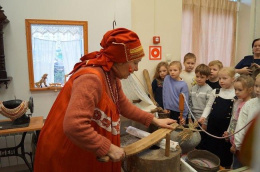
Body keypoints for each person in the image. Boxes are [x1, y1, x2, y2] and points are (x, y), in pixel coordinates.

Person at [33, 28, 176, 172]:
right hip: (66, 151)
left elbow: (124, 106)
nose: (137, 68)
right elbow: (74, 126)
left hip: (82, 148)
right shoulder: (91, 78)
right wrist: (108, 147)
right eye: (135, 63)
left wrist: (154, 120)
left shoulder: (112, 77)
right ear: (121, 60)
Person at [199, 67, 236, 169]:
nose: (221, 81)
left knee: (223, 151)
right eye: (220, 78)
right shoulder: (216, 91)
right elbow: (208, 106)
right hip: (212, 126)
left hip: (225, 129)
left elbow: (234, 116)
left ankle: (223, 168)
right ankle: (210, 166)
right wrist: (203, 117)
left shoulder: (235, 95)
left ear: (233, 79)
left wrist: (229, 131)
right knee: (211, 147)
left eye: (225, 78)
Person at [223, 75, 254, 169]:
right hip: (234, 141)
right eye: (235, 89)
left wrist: (236, 145)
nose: (236, 92)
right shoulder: (238, 102)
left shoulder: (250, 106)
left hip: (240, 146)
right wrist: (228, 132)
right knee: (234, 164)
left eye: (240, 90)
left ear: (249, 90)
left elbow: (244, 128)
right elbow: (233, 119)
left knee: (238, 166)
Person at [234, 73, 260, 166]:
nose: (257, 90)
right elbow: (240, 128)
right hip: (243, 152)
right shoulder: (249, 105)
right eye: (256, 86)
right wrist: (239, 147)